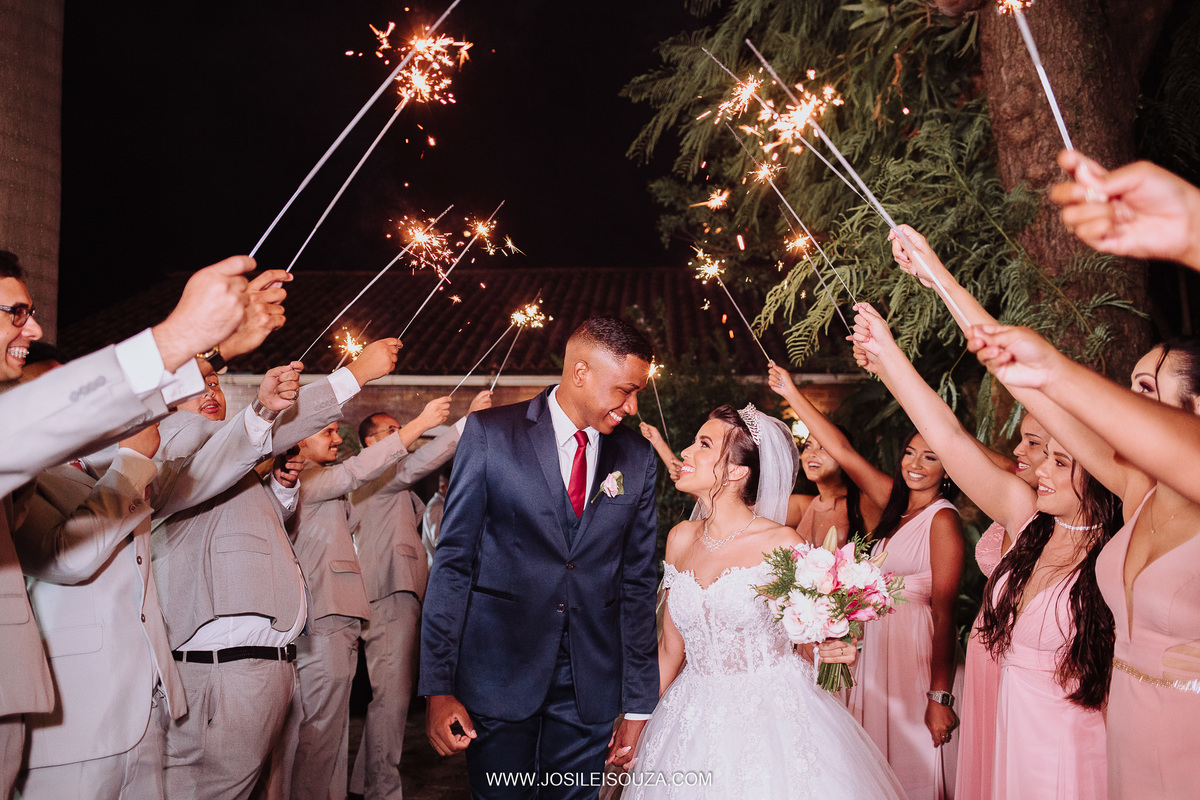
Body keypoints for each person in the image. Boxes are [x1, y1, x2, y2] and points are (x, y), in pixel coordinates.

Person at [0, 253, 258, 796]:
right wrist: (176, 337)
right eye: (16, 313)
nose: (35, 328)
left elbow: (117, 428)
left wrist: (211, 355)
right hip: (76, 713)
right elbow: (63, 557)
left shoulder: (80, 459)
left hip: (138, 702)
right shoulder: (25, 451)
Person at [419, 316, 659, 798]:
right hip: (497, 676)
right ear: (580, 372)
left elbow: (637, 583)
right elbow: (453, 564)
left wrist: (638, 707)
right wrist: (438, 687)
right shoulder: (491, 434)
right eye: (624, 391)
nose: (632, 407)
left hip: (590, 687)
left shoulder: (638, 457)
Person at [150, 339, 401, 800]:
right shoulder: (173, 445)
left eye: (215, 382)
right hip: (222, 668)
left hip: (263, 664)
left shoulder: (226, 458)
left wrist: (282, 490)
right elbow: (265, 433)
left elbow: (250, 525)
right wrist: (355, 374)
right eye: (196, 384)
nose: (211, 391)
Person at [626, 403, 903, 799]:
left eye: (703, 444)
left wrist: (838, 644)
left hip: (772, 715)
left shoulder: (780, 543)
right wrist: (637, 719)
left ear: (737, 471)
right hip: (690, 712)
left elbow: (813, 635)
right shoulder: (680, 538)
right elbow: (671, 649)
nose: (686, 452)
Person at [970, 325, 1200, 798]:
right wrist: (943, 287)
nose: (1127, 402)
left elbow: (1048, 373)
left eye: (1145, 389)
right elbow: (1040, 388)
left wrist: (1049, 365)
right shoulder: (1140, 493)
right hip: (1126, 735)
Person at [768, 366, 964, 799]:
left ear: (948, 468)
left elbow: (945, 614)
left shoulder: (943, 520)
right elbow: (843, 450)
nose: (915, 464)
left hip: (910, 655)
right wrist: (792, 393)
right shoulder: (895, 507)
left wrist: (940, 696)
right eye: (910, 452)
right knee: (870, 766)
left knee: (910, 762)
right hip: (872, 654)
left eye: (930, 457)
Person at [275, 396, 450, 800]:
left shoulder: (319, 481)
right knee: (322, 728)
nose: (338, 439)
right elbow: (357, 472)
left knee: (332, 727)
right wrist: (426, 423)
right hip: (328, 610)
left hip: (342, 612)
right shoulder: (307, 481)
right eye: (328, 432)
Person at [350, 391, 491, 800]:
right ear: (370, 442)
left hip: (399, 595)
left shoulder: (386, 478)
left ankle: (362, 785)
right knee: (391, 702)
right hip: (389, 592)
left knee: (389, 699)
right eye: (391, 430)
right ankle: (382, 791)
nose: (402, 435)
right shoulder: (373, 473)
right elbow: (421, 461)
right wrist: (466, 422)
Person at [421, 467, 450, 566]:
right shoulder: (437, 507)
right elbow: (438, 541)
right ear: (444, 486)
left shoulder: (441, 505)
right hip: (437, 566)